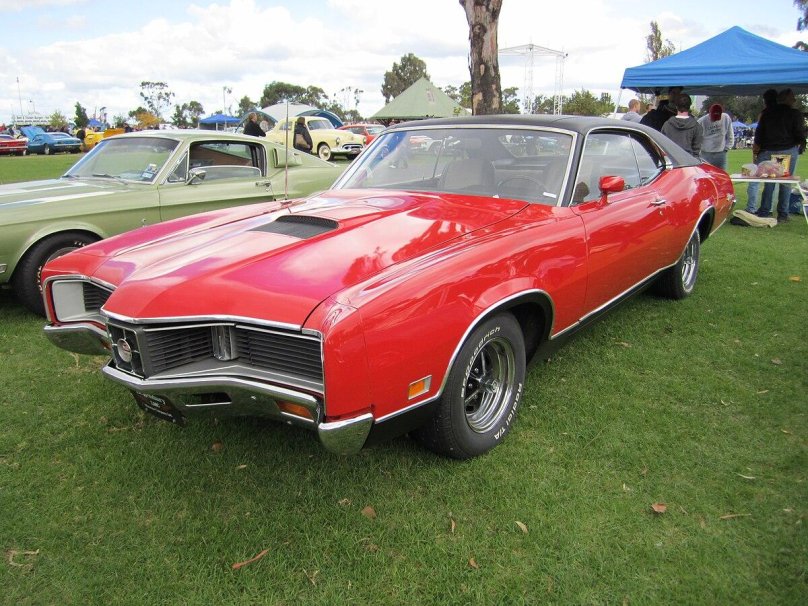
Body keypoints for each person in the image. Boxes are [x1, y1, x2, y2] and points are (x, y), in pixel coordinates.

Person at [754, 88, 807, 222]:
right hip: (787, 149)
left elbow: (759, 133)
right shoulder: (794, 114)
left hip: (768, 150)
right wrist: (801, 143)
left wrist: (758, 150)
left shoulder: (767, 113)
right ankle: (783, 213)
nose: (794, 100)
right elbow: (799, 132)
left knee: (769, 182)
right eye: (792, 97)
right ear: (787, 99)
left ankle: (765, 210)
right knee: (785, 182)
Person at [745, 89, 778, 213]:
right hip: (778, 151)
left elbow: (759, 134)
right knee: (773, 180)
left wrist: (755, 152)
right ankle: (768, 208)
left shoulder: (764, 114)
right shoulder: (782, 113)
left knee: (755, 179)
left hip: (764, 150)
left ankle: (751, 207)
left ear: (765, 101)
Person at [698, 103, 734, 170]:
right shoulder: (701, 121)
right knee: (706, 174)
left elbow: (730, 134)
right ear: (709, 113)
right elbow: (696, 139)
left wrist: (727, 148)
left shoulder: (726, 118)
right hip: (706, 154)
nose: (715, 120)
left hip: (721, 153)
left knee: (722, 175)